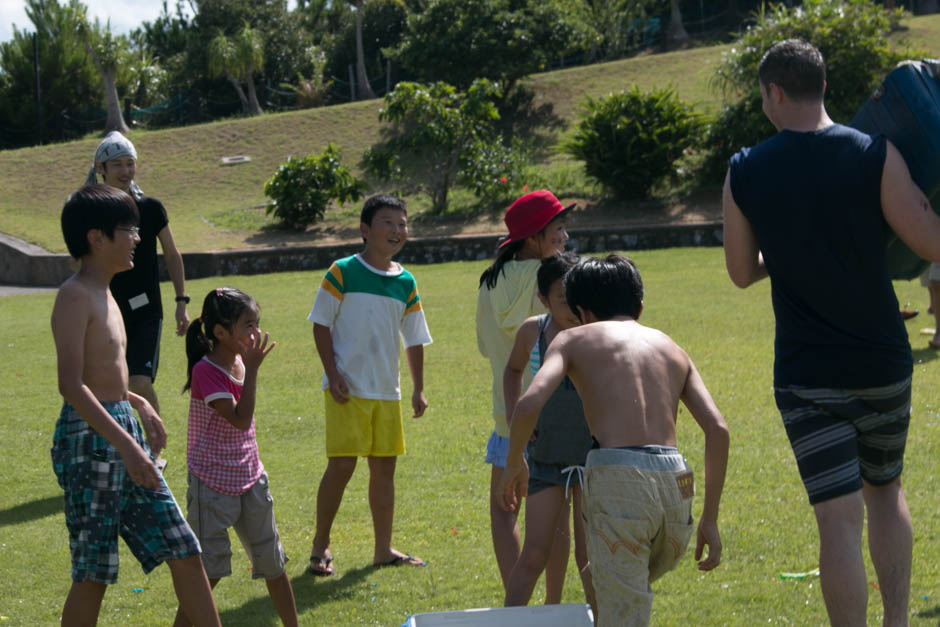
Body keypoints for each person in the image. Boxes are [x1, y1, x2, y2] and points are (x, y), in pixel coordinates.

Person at [722, 39, 940, 625]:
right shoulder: (875, 153)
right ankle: (897, 619)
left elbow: (742, 273)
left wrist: (787, 254)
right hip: (882, 364)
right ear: (823, 87)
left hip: (806, 376)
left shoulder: (745, 169)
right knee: (886, 494)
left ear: (774, 91)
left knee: (838, 519)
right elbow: (929, 241)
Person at [498, 255, 728, 627]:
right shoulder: (670, 346)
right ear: (639, 305)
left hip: (620, 482)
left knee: (620, 609)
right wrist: (711, 519)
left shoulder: (572, 339)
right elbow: (718, 430)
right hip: (676, 486)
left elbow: (528, 404)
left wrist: (514, 463)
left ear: (581, 311)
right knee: (620, 593)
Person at [51, 184, 220, 626]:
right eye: (129, 229)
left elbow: (103, 373)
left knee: (184, 548)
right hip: (92, 439)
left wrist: (139, 406)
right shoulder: (74, 295)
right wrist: (127, 444)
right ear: (96, 237)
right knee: (94, 572)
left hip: (120, 426)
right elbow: (71, 384)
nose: (138, 237)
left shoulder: (109, 292)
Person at [307, 194, 432, 575]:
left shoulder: (406, 281)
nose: (397, 231)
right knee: (342, 466)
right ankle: (320, 544)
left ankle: (382, 549)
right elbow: (320, 324)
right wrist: (334, 373)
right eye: (388, 223)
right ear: (365, 230)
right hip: (347, 390)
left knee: (384, 471)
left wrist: (418, 387)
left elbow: (414, 338)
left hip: (387, 393)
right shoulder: (342, 271)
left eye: (402, 224)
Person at [172, 288, 297, 627]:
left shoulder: (240, 361)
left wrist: (249, 367)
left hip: (250, 476)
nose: (255, 333)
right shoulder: (206, 371)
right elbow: (240, 419)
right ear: (220, 333)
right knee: (207, 573)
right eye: (248, 326)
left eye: (257, 324)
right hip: (211, 482)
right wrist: (253, 371)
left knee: (273, 563)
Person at [476, 189, 573, 597]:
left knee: (504, 507)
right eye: (557, 229)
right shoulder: (556, 281)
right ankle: (552, 599)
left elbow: (484, 346)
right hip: (555, 419)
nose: (564, 237)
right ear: (534, 238)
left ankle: (515, 592)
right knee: (556, 518)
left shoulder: (490, 280)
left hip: (506, 415)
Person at [502, 252, 595, 609]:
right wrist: (516, 418)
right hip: (544, 461)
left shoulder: (595, 332)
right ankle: (511, 619)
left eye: (578, 297)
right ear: (543, 299)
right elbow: (512, 372)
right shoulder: (533, 331)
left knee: (589, 560)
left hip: (593, 461)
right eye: (562, 299)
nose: (572, 307)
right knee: (534, 553)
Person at [87, 131, 190, 420]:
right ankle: (126, 449)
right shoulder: (92, 212)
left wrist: (181, 302)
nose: (125, 171)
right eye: (117, 164)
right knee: (110, 386)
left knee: (139, 383)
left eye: (130, 163)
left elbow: (172, 253)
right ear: (101, 169)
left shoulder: (150, 208)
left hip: (146, 311)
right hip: (108, 311)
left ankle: (155, 451)